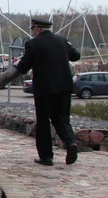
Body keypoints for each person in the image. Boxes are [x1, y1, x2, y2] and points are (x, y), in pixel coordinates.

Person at [14, 17, 81, 166]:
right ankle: (71, 143)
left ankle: (46, 157)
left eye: (33, 30)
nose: (32, 33)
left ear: (37, 30)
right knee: (61, 118)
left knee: (43, 121)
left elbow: (23, 67)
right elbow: (76, 56)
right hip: (64, 87)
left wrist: (18, 65)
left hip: (44, 89)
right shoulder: (62, 41)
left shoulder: (32, 44)